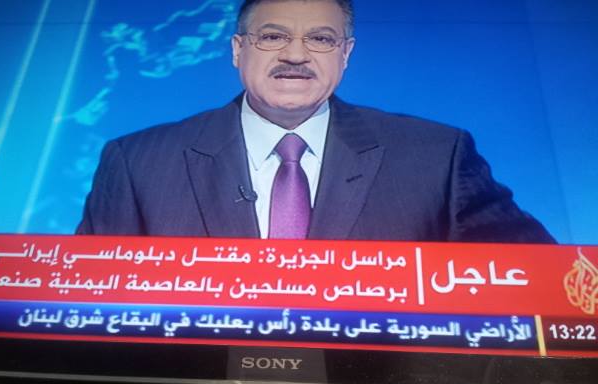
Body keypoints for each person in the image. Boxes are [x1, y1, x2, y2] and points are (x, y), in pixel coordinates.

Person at [77, 0, 554, 243]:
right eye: (272, 36)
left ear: (345, 54)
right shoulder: (138, 163)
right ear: (238, 50)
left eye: (321, 39)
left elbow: (541, 283)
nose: (295, 55)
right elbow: (87, 305)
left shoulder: (436, 158)